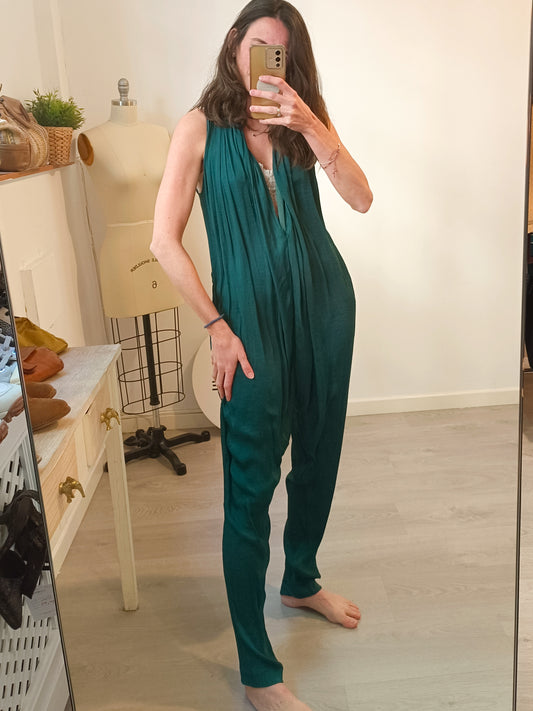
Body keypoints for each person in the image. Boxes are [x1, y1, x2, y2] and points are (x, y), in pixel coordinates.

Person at [151, 1, 372, 709]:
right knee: (248, 491)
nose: (266, 63)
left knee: (318, 456)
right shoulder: (198, 128)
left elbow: (362, 199)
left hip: (324, 311)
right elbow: (163, 242)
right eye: (257, 46)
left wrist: (311, 125)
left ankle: (300, 579)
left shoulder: (304, 122)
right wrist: (216, 325)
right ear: (233, 45)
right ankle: (257, 671)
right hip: (247, 330)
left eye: (280, 51)